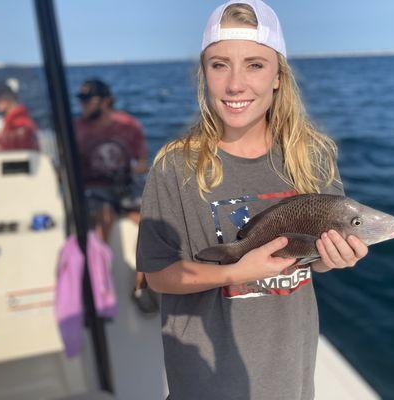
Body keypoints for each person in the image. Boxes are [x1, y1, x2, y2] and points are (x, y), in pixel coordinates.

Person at [136, 1, 373, 399]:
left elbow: (312, 261)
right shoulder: (174, 166)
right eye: (219, 64)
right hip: (205, 384)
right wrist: (236, 272)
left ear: (279, 76)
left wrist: (335, 259)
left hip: (291, 379)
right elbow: (159, 275)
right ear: (203, 74)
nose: (235, 84)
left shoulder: (312, 156)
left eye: (255, 64)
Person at [74, 79, 158, 313]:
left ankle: (141, 286)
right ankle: (99, 288)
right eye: (80, 101)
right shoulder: (76, 128)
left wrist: (135, 168)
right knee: (103, 218)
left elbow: (141, 162)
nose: (82, 106)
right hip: (93, 188)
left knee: (150, 225)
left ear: (105, 101)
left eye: (87, 100)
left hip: (125, 186)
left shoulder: (129, 125)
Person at [0, 79, 39, 151]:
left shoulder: (19, 121)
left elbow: (18, 149)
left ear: (9, 97)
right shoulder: (14, 117)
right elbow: (11, 143)